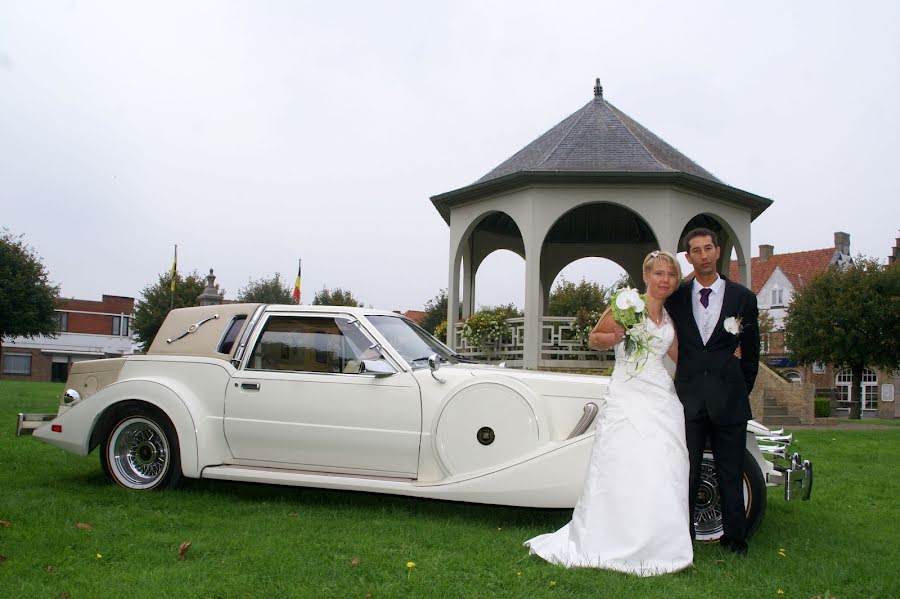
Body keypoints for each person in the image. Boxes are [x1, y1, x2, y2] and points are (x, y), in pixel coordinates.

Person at [525, 250, 693, 576]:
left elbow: (682, 355)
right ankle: (614, 536)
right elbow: (595, 338)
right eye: (659, 273)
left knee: (665, 464)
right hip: (628, 392)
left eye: (670, 275)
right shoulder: (628, 304)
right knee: (625, 462)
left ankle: (661, 541)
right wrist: (613, 337)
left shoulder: (671, 318)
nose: (665, 280)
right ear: (646, 276)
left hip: (661, 397)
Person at [665, 228, 760, 557]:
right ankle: (683, 540)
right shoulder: (677, 297)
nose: (703, 255)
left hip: (730, 400)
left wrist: (739, 389)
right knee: (686, 474)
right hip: (689, 400)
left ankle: (735, 541)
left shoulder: (742, 298)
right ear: (688, 257)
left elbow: (751, 353)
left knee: (731, 473)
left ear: (718, 251)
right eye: (696, 250)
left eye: (708, 248)